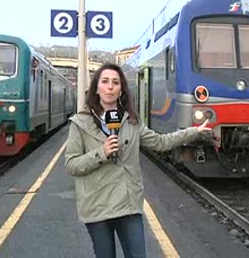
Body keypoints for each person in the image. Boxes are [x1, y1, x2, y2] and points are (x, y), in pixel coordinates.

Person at [64, 62, 211, 258]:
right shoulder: (80, 123)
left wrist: (194, 132)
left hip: (128, 203)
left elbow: (160, 142)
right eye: (105, 81)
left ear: (121, 90)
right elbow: (71, 165)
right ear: (96, 88)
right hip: (96, 205)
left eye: (115, 82)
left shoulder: (131, 121)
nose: (110, 86)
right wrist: (102, 152)